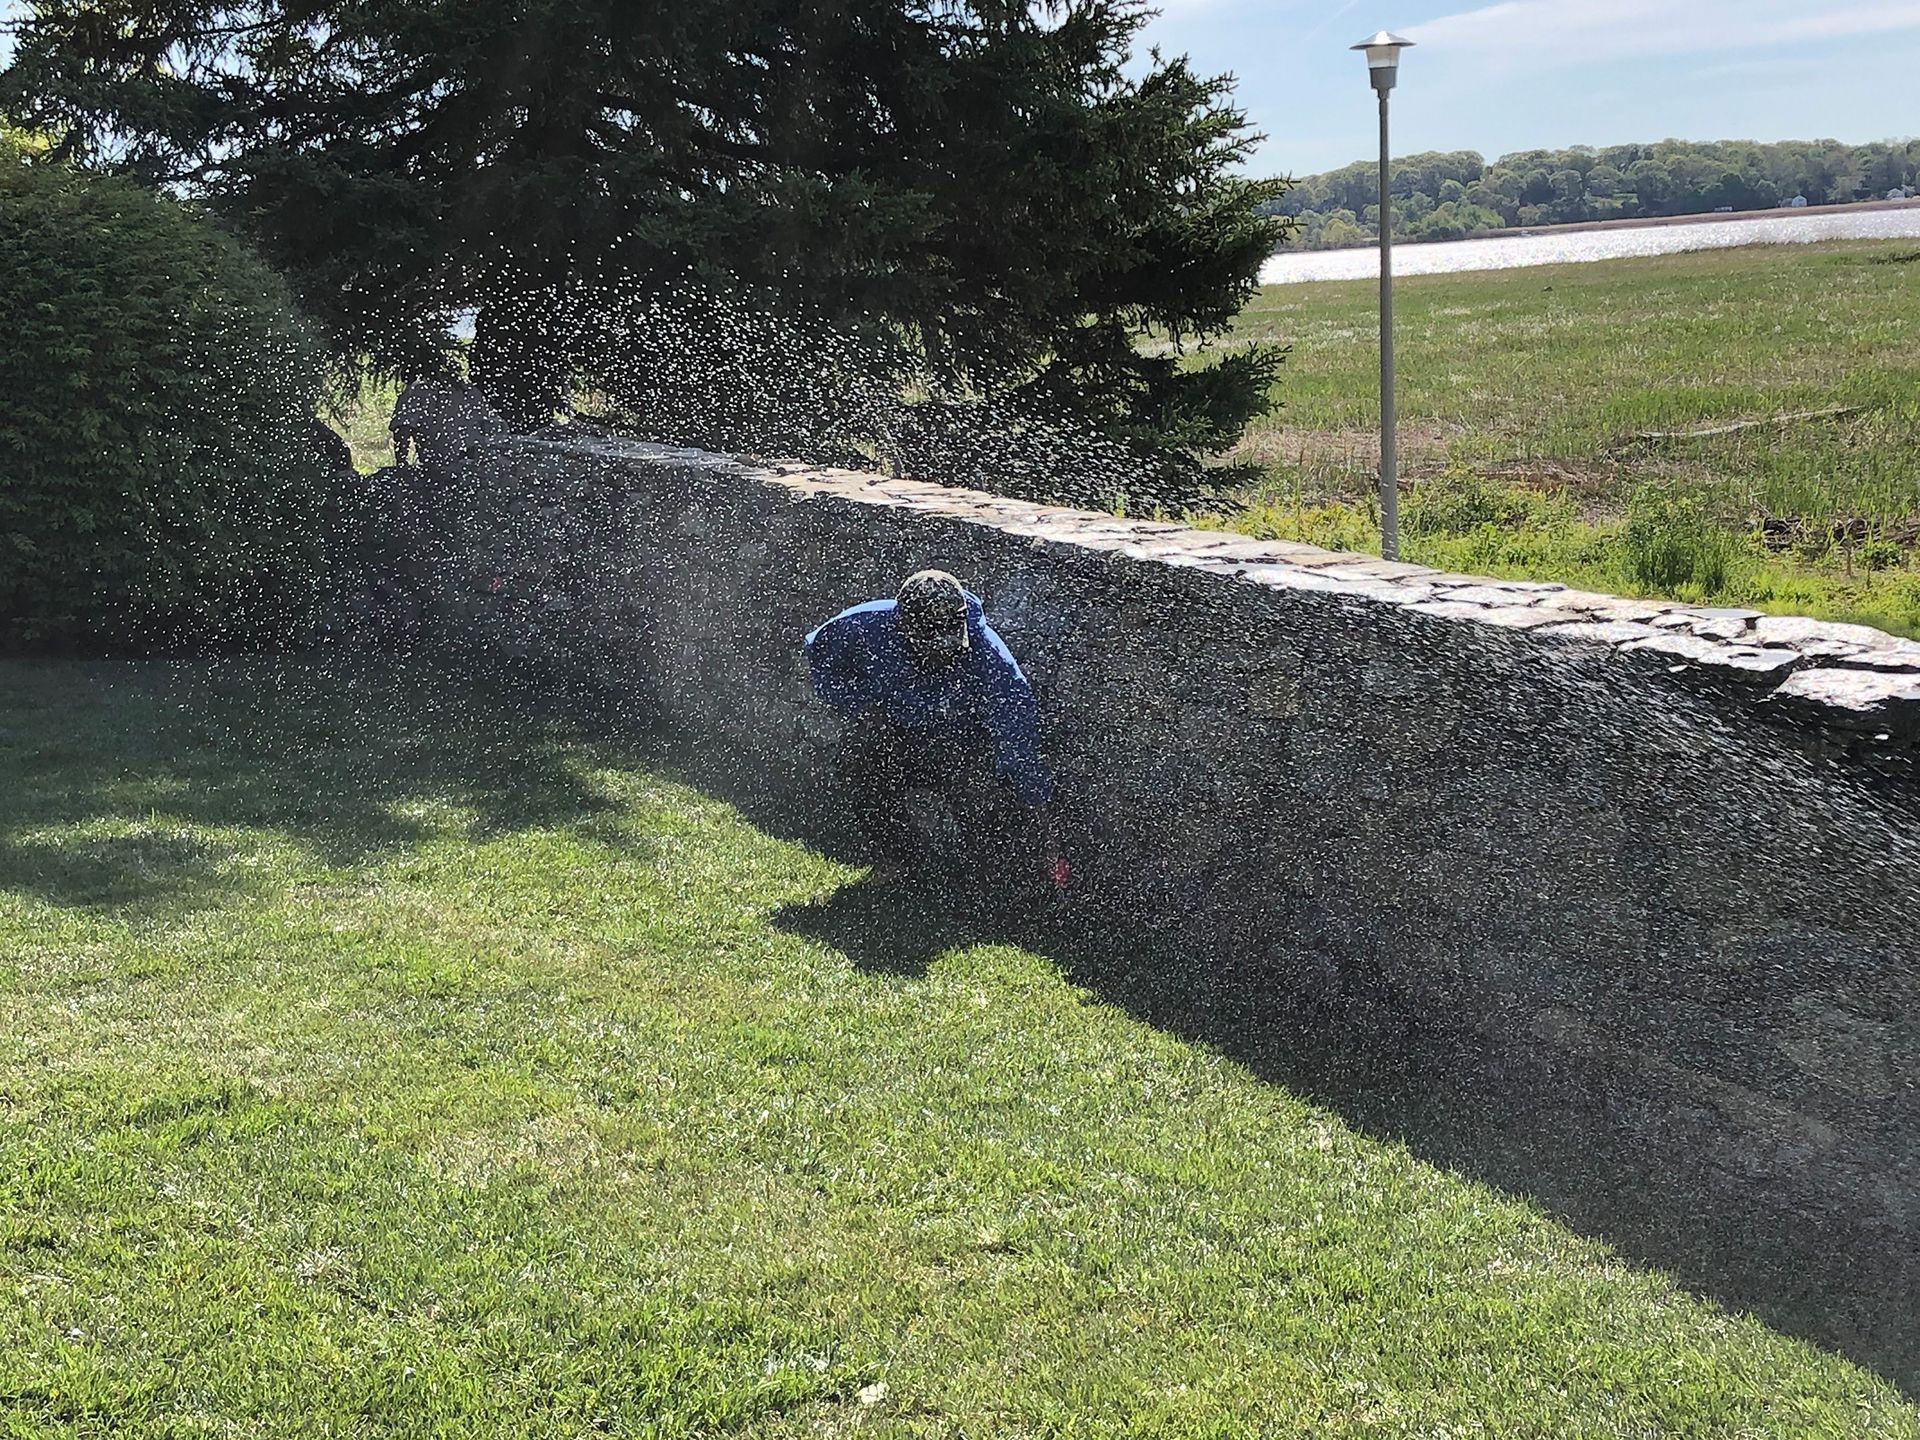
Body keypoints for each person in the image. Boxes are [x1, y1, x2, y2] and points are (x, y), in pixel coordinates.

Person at [805, 570, 1064, 885]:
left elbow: (1016, 730)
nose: (941, 649)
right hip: (894, 733)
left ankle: (991, 881)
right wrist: (860, 705)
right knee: (858, 765)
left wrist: (1035, 799)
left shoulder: (989, 656)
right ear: (903, 625)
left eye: (949, 639)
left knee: (980, 796)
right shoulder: (862, 627)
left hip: (962, 742)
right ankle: (900, 863)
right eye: (929, 640)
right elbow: (822, 660)